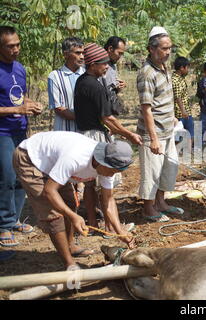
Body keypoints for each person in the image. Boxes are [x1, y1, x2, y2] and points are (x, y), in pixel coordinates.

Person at [13, 132, 136, 269]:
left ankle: (70, 246)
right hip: (30, 158)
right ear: (102, 162)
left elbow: (108, 200)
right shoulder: (76, 158)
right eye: (112, 171)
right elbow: (50, 191)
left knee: (69, 204)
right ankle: (69, 264)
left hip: (53, 163)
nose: (113, 174)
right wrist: (73, 217)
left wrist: (120, 231)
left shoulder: (109, 166)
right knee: (54, 214)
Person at [74, 42, 142, 230]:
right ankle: (110, 227)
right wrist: (130, 135)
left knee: (89, 184)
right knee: (106, 184)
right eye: (103, 63)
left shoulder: (81, 81)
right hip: (95, 137)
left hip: (83, 134)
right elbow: (108, 118)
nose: (106, 67)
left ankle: (94, 221)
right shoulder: (95, 86)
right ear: (93, 63)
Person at [0, 26, 43, 248]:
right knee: (6, 178)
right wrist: (15, 111)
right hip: (3, 132)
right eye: (10, 46)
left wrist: (30, 106)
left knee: (20, 177)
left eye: (18, 44)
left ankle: (14, 219)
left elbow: (18, 98)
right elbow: (9, 107)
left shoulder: (19, 69)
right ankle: (3, 225)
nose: (16, 49)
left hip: (20, 129)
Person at [137, 26, 183, 222]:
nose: (167, 52)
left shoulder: (165, 68)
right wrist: (153, 139)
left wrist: (172, 116)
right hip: (153, 134)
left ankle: (161, 202)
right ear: (151, 49)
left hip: (168, 130)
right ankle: (148, 209)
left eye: (169, 48)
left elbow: (164, 98)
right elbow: (146, 108)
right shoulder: (147, 73)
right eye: (164, 49)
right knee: (151, 173)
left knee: (168, 169)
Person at [48, 37, 85, 132]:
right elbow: (58, 108)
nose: (82, 57)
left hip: (85, 132)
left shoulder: (87, 74)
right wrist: (85, 118)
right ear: (66, 54)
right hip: (64, 132)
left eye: (83, 53)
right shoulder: (55, 76)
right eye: (77, 53)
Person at [103, 36, 127, 115]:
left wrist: (119, 87)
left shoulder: (113, 65)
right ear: (110, 49)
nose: (120, 57)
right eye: (119, 53)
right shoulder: (98, 64)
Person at [172, 56, 194, 140]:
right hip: (180, 113)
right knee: (182, 136)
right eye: (187, 67)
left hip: (185, 111)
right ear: (181, 68)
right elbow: (177, 97)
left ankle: (187, 152)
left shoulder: (180, 78)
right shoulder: (175, 80)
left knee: (189, 134)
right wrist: (183, 111)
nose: (188, 70)